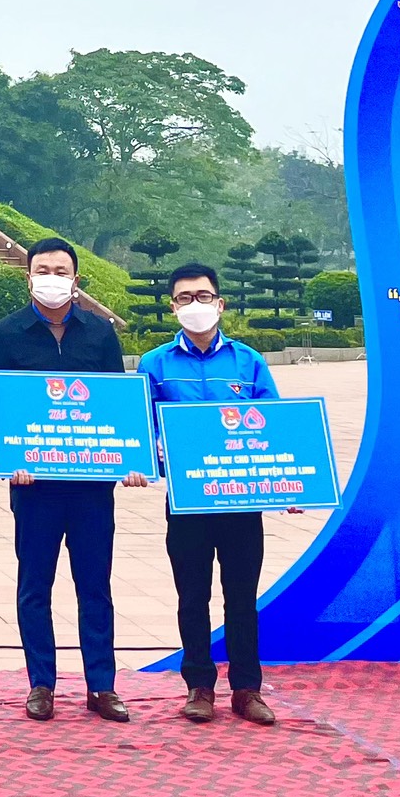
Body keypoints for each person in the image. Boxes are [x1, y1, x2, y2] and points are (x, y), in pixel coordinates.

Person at [0, 238, 146, 725]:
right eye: (43, 270)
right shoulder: (5, 333)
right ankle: (41, 684)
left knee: (94, 585)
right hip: (34, 485)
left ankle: (102, 685)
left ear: (75, 279)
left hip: (91, 486)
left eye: (60, 270)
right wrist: (13, 457)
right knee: (35, 586)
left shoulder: (99, 332)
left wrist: (128, 457)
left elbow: (116, 403)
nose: (51, 278)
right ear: (28, 277)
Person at [139, 261, 282, 726]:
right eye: (184, 298)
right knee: (192, 595)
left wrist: (288, 481)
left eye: (203, 296)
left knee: (241, 597)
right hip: (186, 503)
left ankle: (247, 689)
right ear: (172, 307)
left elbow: (275, 427)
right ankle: (199, 686)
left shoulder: (248, 362)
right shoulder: (155, 364)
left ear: (220, 303)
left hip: (241, 501)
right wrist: (148, 461)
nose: (194, 305)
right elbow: (142, 429)